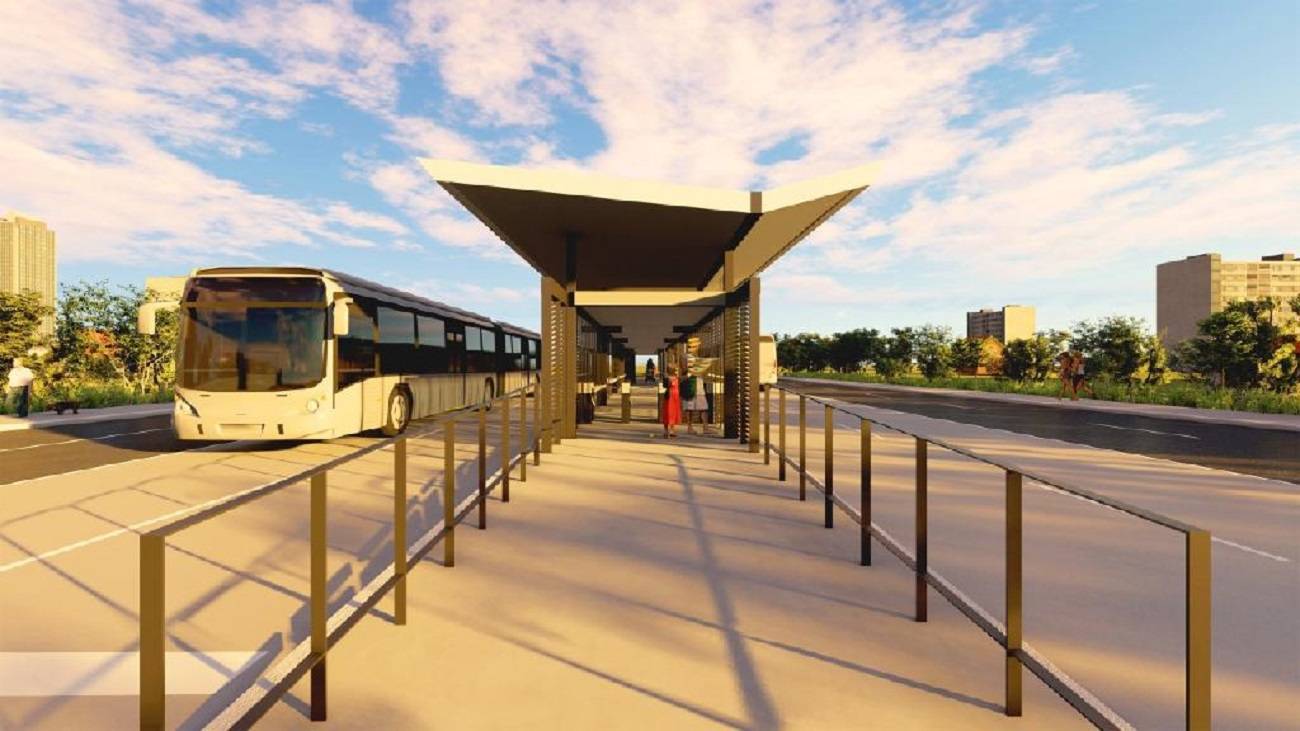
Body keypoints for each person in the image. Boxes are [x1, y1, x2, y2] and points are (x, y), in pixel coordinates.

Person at [682, 369, 709, 434]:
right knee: (692, 410)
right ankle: (691, 428)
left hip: (696, 390)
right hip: (692, 390)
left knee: (702, 409)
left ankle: (704, 428)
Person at [661, 365, 681, 438]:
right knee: (670, 412)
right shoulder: (673, 378)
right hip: (672, 396)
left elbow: (665, 386)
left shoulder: (673, 377)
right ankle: (669, 430)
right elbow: (666, 385)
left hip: (672, 396)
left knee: (670, 413)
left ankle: (669, 430)